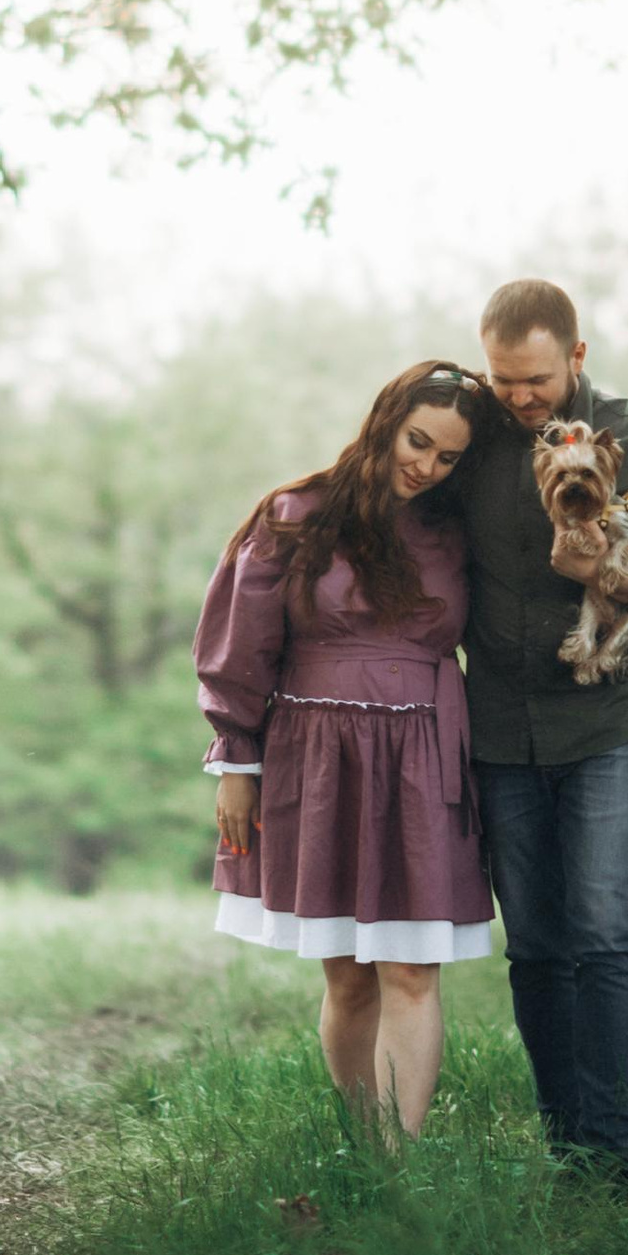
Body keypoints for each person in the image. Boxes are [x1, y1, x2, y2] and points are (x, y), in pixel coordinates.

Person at [457, 277, 628, 1178]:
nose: (521, 398)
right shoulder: (470, 443)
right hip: (497, 728)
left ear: (576, 356)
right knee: (533, 945)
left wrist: (621, 583)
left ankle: (611, 1161)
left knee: (605, 931)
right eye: (504, 381)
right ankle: (562, 1144)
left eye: (535, 379)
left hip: (609, 725)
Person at [195, 360, 498, 1133]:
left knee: (409, 967)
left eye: (448, 457)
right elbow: (241, 645)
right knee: (351, 977)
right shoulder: (296, 514)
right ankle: (365, 1150)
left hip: (424, 756)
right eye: (418, 441)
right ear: (386, 420)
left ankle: (404, 1168)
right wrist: (236, 761)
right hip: (319, 758)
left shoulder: (456, 531)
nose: (426, 466)